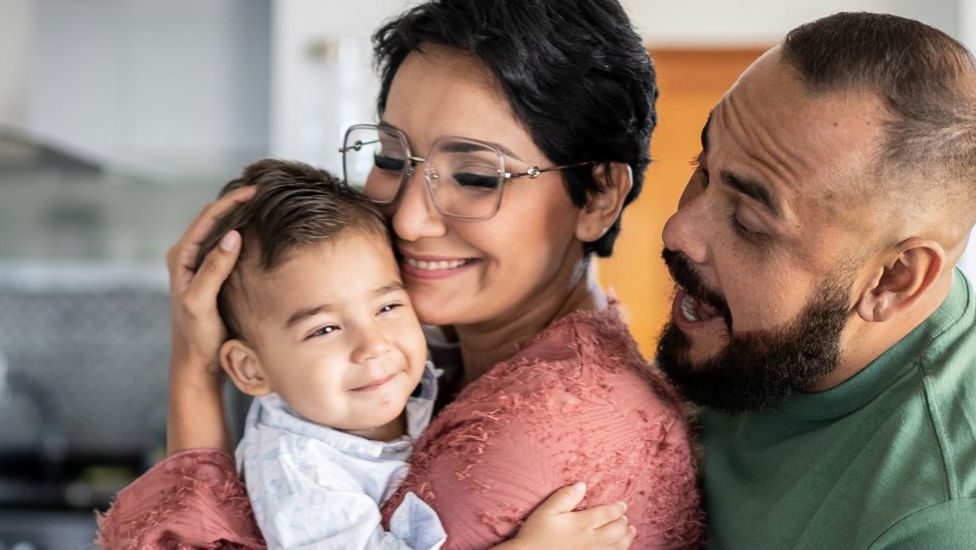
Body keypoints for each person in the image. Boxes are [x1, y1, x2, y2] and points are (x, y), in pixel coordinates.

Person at [95, 0, 703, 548]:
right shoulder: (432, 365)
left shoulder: (536, 436)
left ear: (597, 195)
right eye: (390, 158)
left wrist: (193, 375)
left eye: (475, 176)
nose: (408, 219)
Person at [655, 12, 976, 548]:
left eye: (749, 222)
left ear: (893, 280)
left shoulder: (966, 527)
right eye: (703, 168)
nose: (678, 231)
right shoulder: (761, 342)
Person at [191, 159, 635, 549]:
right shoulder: (300, 475)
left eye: (386, 306)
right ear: (251, 369)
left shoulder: (392, 378)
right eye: (324, 329)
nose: (373, 345)